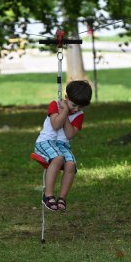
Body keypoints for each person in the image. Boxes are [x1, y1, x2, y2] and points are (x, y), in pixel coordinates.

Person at [34, 80, 92, 211]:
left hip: (63, 145)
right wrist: (65, 110)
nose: (76, 109)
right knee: (58, 158)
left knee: (71, 164)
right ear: (66, 98)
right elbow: (55, 125)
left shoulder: (79, 115)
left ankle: (62, 198)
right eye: (74, 104)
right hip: (45, 142)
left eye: (80, 107)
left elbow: (70, 134)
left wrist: (65, 112)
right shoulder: (55, 104)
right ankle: (48, 196)